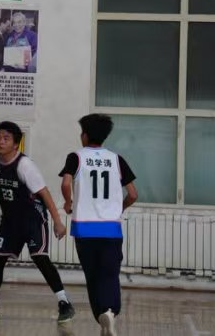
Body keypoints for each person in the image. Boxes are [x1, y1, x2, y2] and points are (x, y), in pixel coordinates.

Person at [0, 121, 74, 323]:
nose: (0, 141)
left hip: (32, 219)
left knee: (40, 258)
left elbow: (45, 193)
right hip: (10, 222)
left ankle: (64, 302)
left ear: (16, 144)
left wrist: (58, 221)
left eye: (6, 138)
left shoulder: (24, 165)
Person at [60, 114, 138, 336]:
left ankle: (101, 315)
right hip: (111, 229)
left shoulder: (76, 157)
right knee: (110, 274)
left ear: (85, 135)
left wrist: (68, 202)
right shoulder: (116, 159)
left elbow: (65, 183)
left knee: (92, 274)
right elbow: (133, 194)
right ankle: (110, 312)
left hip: (84, 228)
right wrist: (119, 209)